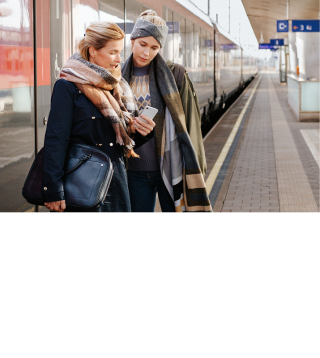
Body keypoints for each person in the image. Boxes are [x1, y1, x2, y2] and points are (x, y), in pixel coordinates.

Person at [42, 22, 155, 213]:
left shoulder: (116, 86)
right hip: (80, 185)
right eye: (112, 52)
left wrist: (143, 132)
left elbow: (121, 141)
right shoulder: (67, 86)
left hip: (115, 183)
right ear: (92, 51)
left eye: (120, 52)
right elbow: (56, 139)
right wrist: (53, 189)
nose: (119, 59)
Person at [122, 10, 212, 213]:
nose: (147, 53)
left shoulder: (175, 73)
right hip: (134, 170)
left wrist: (198, 164)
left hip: (171, 167)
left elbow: (190, 121)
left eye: (154, 47)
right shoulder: (117, 75)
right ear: (132, 40)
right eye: (142, 45)